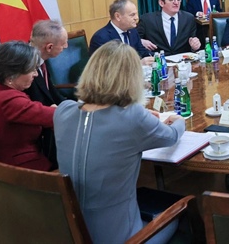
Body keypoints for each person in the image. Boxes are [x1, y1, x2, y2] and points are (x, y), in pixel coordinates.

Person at [54, 41, 185, 244]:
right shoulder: (132, 116)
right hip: (122, 237)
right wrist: (179, 121)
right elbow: (171, 136)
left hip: (67, 230)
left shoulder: (63, 111)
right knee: (182, 214)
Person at [0, 41, 57, 171]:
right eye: (31, 70)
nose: (36, 74)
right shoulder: (9, 101)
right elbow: (56, 116)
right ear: (10, 76)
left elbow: (37, 112)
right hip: (20, 173)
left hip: (1, 167)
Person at [25, 19, 69, 168]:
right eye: (63, 45)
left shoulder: (40, 59)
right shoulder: (23, 67)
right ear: (49, 47)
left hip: (51, 116)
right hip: (39, 131)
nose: (66, 47)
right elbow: (29, 105)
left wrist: (73, 106)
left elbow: (51, 92)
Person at [137, 0, 201, 56]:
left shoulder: (189, 18)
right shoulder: (147, 20)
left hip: (183, 61)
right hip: (159, 61)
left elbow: (193, 41)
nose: (176, 3)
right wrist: (141, 41)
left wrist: (194, 47)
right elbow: (134, 40)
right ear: (161, 3)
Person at [89, 0, 153, 63]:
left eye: (136, 14)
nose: (136, 18)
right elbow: (109, 66)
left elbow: (142, 52)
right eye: (132, 15)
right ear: (118, 16)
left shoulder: (133, 31)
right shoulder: (101, 38)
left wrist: (157, 57)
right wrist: (138, 63)